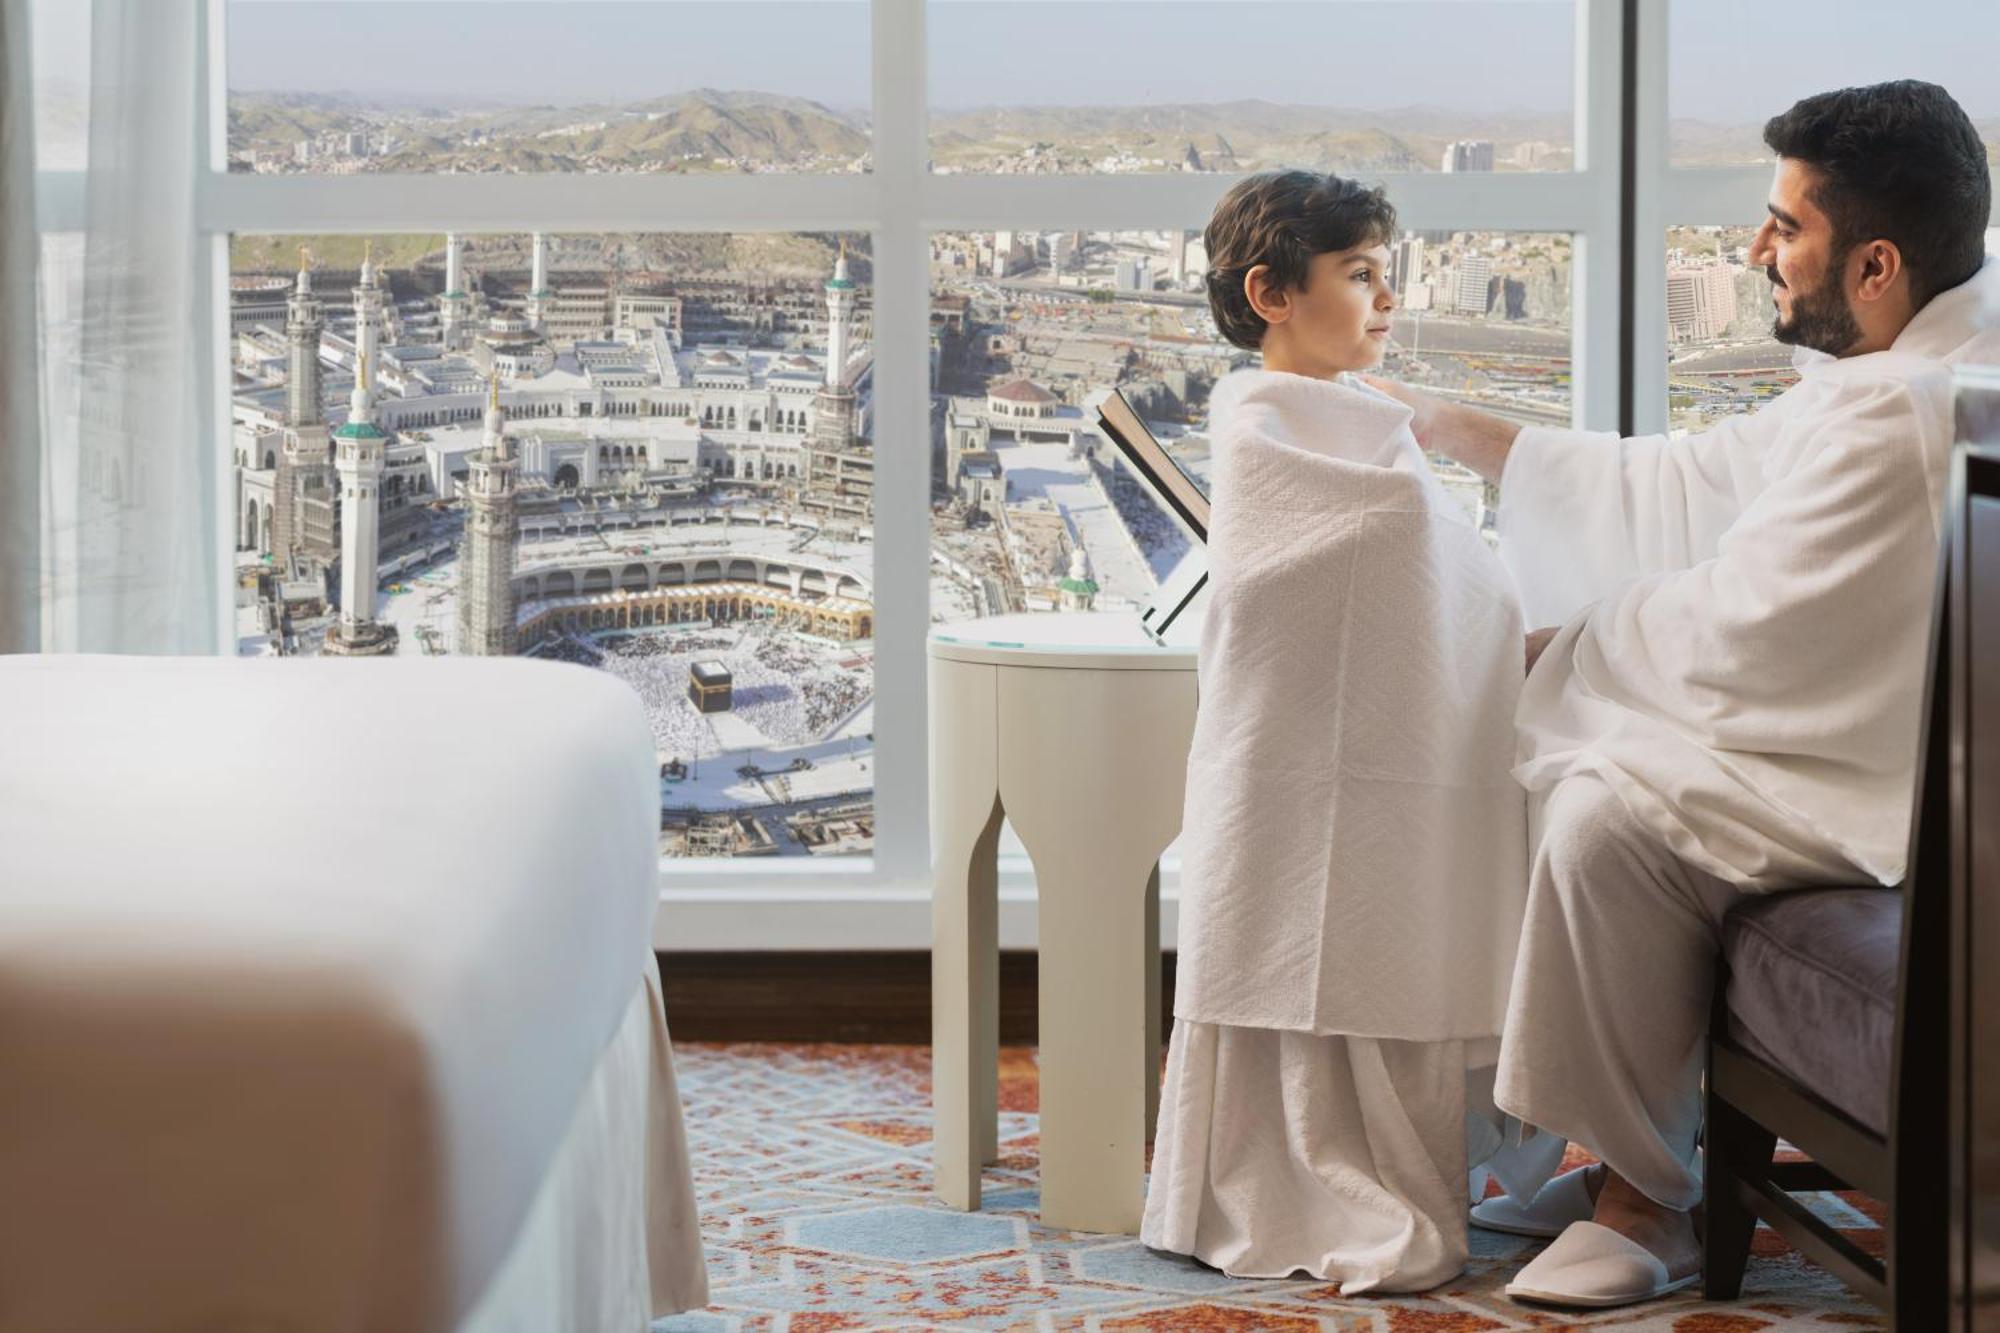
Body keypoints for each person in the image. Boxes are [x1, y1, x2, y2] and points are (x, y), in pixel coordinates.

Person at [1366, 79, 1998, 1309]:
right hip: (1873, 735)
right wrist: (1448, 427)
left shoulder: (1917, 411)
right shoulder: (1910, 357)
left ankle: (1647, 1200)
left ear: (1871, 264)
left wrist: (1572, 642)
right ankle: (1625, 1157)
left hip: (1903, 781)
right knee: (1589, 777)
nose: (1755, 249)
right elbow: (1696, 481)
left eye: (1783, 227)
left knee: (1605, 814)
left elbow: (1752, 632)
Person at [1142, 170, 1531, 1292]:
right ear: (1269, 292)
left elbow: (1421, 567)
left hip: (1380, 751)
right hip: (1292, 750)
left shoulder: (1368, 418)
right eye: (1359, 275)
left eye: (1385, 276)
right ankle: (1297, 1178)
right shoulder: (1259, 420)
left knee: (1377, 928)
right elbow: (1331, 568)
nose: (1385, 301)